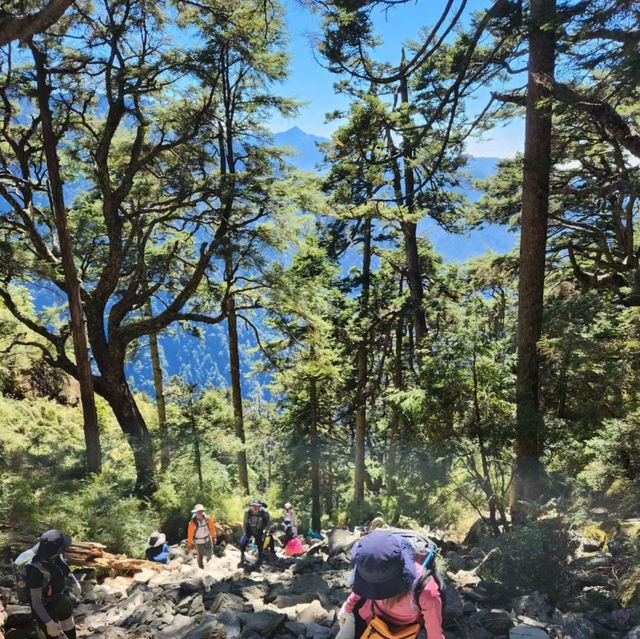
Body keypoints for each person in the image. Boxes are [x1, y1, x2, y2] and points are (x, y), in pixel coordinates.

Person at [336, 531, 444, 639]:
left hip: (403, 631)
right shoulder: (371, 569)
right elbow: (362, 584)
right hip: (368, 616)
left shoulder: (425, 589)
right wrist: (347, 607)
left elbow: (434, 635)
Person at [25, 530, 81, 639]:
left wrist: (75, 582)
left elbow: (64, 567)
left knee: (66, 604)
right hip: (43, 605)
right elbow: (36, 603)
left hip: (56, 597)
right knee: (52, 633)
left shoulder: (54, 554)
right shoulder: (35, 570)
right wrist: (49, 622)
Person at [239, 498, 270, 568]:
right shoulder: (247, 511)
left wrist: (265, 532)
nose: (255, 507)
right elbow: (244, 523)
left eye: (257, 506)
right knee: (242, 543)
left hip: (259, 529)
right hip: (249, 529)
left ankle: (260, 559)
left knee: (260, 544)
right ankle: (242, 557)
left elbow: (268, 523)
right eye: (253, 506)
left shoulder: (264, 512)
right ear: (251, 506)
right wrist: (244, 534)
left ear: (260, 506)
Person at [186, 504, 217, 569]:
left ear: (203, 511)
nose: (199, 512)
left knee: (210, 554)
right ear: (195, 512)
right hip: (198, 542)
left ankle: (209, 566)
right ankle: (201, 568)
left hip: (208, 539)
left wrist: (214, 537)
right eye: (198, 511)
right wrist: (189, 545)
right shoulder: (192, 523)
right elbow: (190, 535)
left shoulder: (208, 519)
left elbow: (212, 528)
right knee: (200, 557)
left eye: (201, 511)